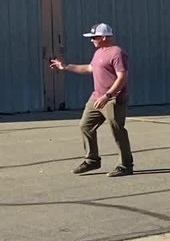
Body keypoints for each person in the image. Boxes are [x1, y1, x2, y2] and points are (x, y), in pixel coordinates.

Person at [48, 23, 134, 176]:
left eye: (94, 37)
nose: (91, 40)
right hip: (96, 98)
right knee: (85, 126)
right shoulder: (99, 52)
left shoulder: (117, 53)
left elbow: (122, 78)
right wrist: (65, 67)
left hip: (113, 99)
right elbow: (89, 69)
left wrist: (108, 96)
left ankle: (126, 165)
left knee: (117, 131)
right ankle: (92, 160)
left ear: (104, 37)